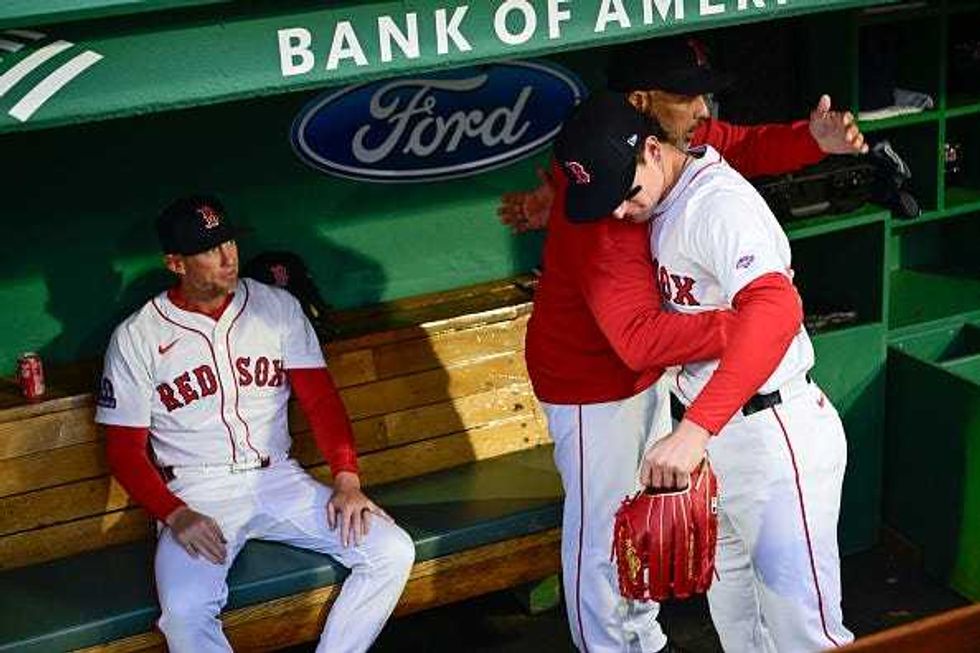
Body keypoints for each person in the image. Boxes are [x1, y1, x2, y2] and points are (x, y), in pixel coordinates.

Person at [555, 92, 853, 651]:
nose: (619, 212)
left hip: (775, 433)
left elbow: (778, 311)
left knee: (806, 635)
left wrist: (694, 432)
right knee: (741, 627)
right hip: (723, 441)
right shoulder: (664, 199)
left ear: (652, 149)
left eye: (625, 192)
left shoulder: (717, 205)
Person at [94, 195, 415, 653]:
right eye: (209, 250)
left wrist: (346, 478)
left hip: (277, 477)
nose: (228, 258)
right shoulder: (138, 336)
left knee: (391, 550)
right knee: (184, 614)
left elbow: (321, 401)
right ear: (175, 262)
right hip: (197, 492)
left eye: (229, 242)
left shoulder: (277, 307)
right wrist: (175, 513)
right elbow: (124, 452)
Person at [500, 36, 867, 233]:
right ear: (641, 100)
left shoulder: (689, 136)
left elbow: (750, 147)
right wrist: (563, 208)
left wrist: (815, 141)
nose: (703, 109)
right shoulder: (594, 153)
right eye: (686, 96)